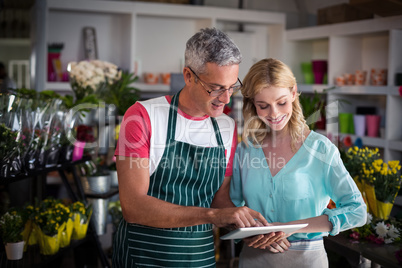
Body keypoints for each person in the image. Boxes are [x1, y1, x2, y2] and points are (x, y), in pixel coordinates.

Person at [112, 28, 282, 267]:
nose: (226, 99)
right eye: (215, 88)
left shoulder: (226, 127)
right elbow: (134, 206)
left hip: (199, 257)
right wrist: (214, 216)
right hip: (144, 255)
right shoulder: (143, 116)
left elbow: (219, 197)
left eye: (232, 87)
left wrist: (247, 225)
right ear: (189, 76)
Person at [230, 58, 367, 268]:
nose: (274, 114)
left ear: (293, 93)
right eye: (263, 106)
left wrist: (288, 228)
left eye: (281, 102)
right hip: (253, 258)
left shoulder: (321, 149)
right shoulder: (245, 150)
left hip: (306, 260)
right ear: (252, 105)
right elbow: (232, 208)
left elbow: (357, 211)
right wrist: (252, 234)